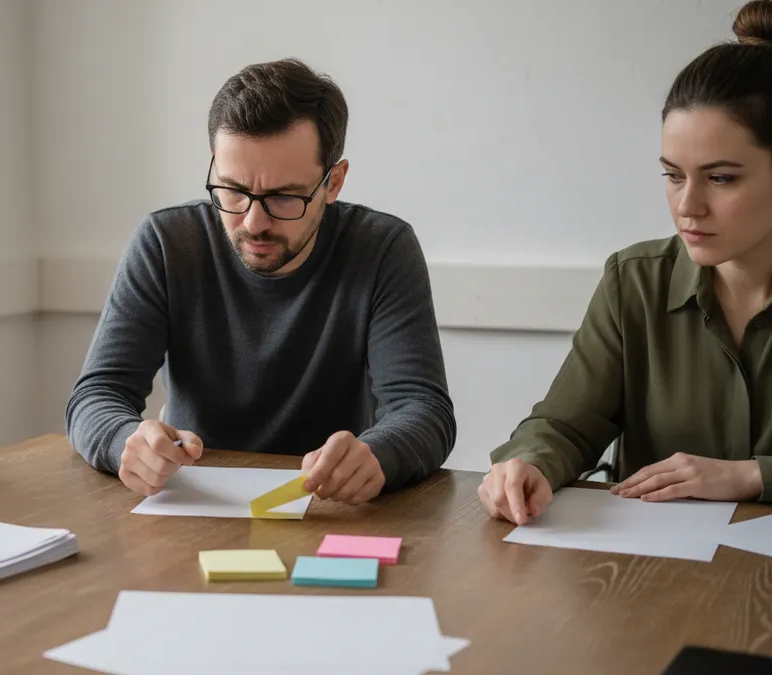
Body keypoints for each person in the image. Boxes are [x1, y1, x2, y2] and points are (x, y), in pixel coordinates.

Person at [66, 58, 456, 504]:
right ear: (214, 166)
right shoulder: (167, 242)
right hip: (194, 501)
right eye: (232, 189)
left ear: (334, 182)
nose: (253, 222)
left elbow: (424, 411)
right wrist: (125, 442)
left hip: (327, 507)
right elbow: (97, 394)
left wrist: (377, 455)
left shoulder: (382, 248)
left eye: (284, 197)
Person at [481, 0, 772, 525]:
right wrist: (529, 462)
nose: (687, 206)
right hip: (650, 584)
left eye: (721, 178)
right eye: (673, 175)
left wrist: (752, 475)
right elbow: (566, 425)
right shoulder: (634, 282)